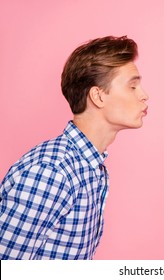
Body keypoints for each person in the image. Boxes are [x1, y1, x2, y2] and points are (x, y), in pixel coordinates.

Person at [0, 35, 149, 259]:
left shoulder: (90, 168)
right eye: (132, 86)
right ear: (98, 96)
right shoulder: (52, 171)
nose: (144, 95)